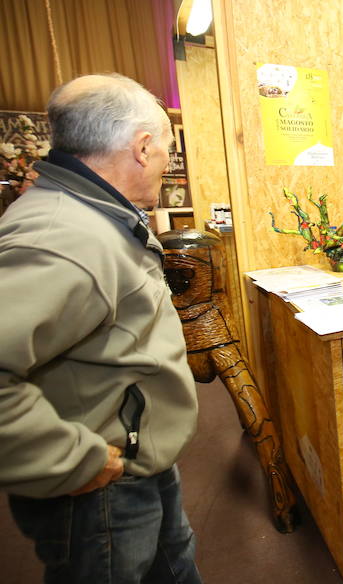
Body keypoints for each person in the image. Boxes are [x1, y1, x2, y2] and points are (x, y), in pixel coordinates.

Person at [0, 74, 202, 584]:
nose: (165, 165)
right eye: (165, 152)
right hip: (102, 489)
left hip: (138, 459)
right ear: (141, 147)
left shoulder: (94, 215)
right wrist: (73, 460)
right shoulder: (62, 239)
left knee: (175, 568)